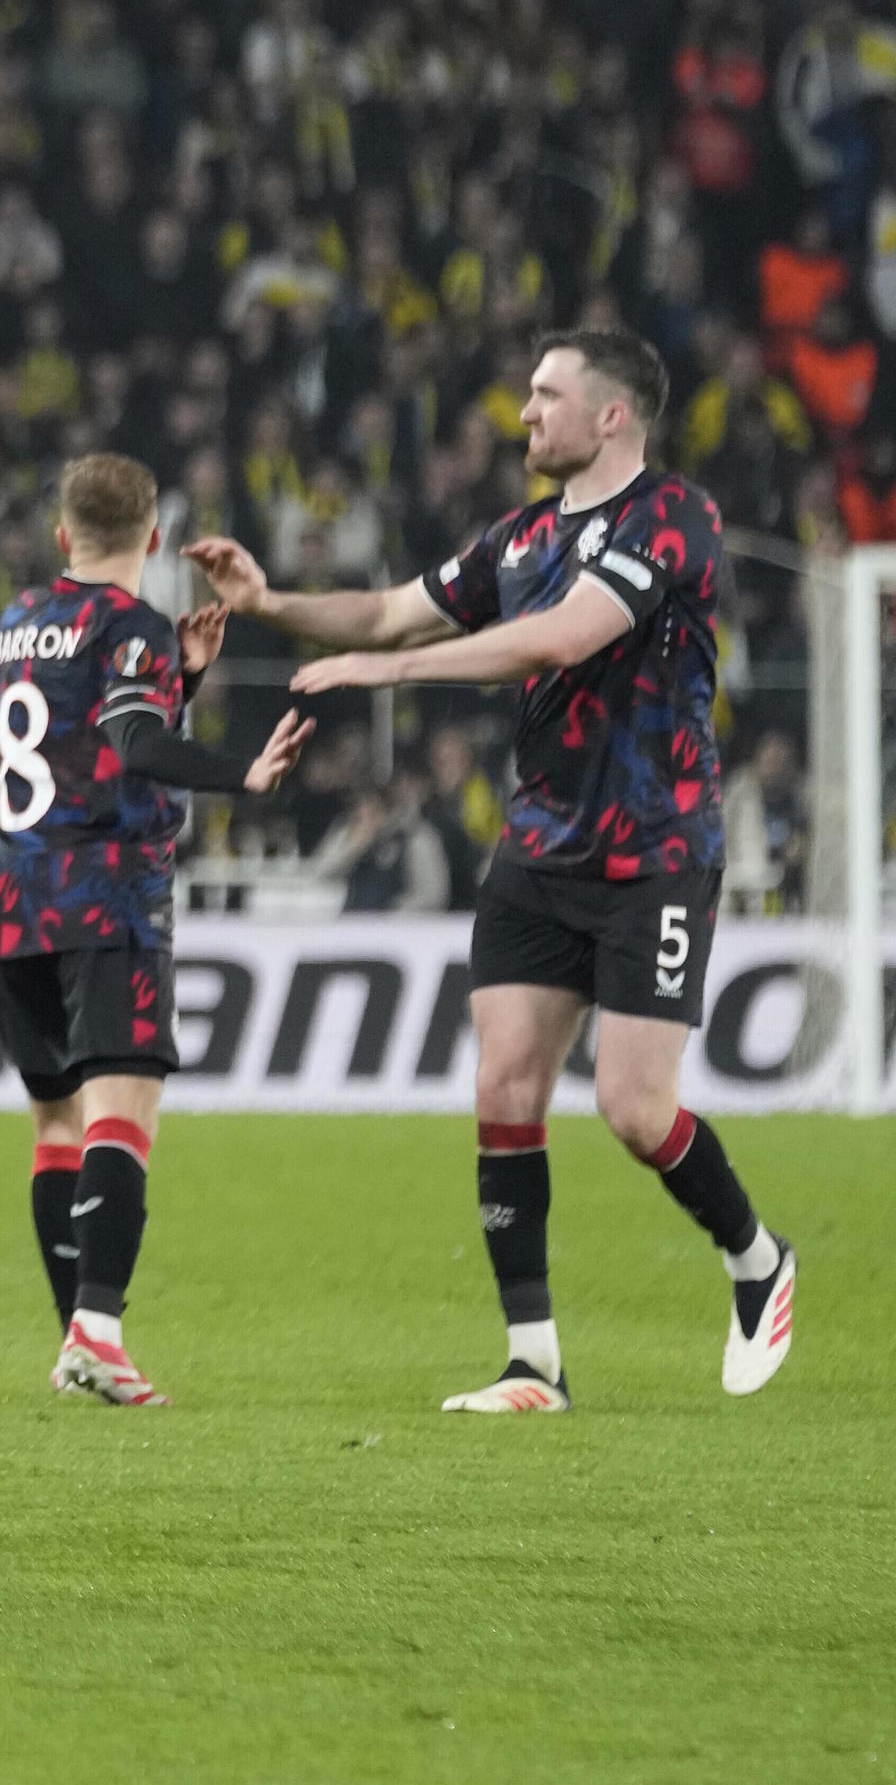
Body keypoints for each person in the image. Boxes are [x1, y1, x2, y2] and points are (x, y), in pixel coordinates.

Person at [188, 325, 796, 1413]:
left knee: (632, 1106)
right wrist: (270, 601)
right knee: (503, 1089)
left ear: (611, 414)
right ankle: (534, 1362)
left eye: (545, 393)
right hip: (538, 848)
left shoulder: (674, 517)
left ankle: (757, 1258)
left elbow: (561, 638)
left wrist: (393, 673)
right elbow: (382, 610)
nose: (523, 412)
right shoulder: (517, 536)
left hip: (654, 852)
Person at [0, 454, 311, 1407]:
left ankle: (76, 1337)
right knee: (120, 1117)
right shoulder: (131, 627)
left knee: (54, 1123)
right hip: (106, 896)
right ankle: (102, 1335)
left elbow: (91, 734)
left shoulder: (19, 621)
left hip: (12, 896)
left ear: (60, 537)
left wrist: (181, 681)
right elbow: (131, 746)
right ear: (155, 538)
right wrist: (241, 770)